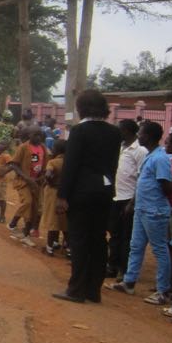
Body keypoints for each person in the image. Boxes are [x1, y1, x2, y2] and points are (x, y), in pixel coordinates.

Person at [55, 89, 122, 303]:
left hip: (81, 192)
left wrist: (62, 195)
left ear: (81, 108)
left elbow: (71, 165)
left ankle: (76, 289)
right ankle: (94, 290)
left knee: (79, 239)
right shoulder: (115, 133)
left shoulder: (79, 131)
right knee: (99, 240)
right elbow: (113, 164)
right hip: (105, 191)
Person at [108, 121, 172, 306]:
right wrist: (133, 203)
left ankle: (163, 291)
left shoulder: (160, 159)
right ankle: (129, 282)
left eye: (141, 133)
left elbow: (166, 186)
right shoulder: (150, 156)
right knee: (135, 246)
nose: (139, 136)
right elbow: (142, 182)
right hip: (141, 209)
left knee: (160, 250)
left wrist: (153, 200)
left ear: (149, 137)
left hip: (154, 211)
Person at [107, 119, 145, 280]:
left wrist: (132, 202)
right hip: (116, 197)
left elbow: (142, 178)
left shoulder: (140, 150)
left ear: (128, 131)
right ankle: (112, 266)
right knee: (114, 233)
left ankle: (124, 269)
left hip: (129, 199)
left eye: (120, 130)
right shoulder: (120, 147)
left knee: (126, 236)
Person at [7, 128, 46, 247]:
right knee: (27, 202)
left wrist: (40, 179)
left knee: (35, 208)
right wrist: (27, 178)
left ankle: (26, 234)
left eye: (40, 135)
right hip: (23, 181)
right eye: (35, 135)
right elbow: (14, 165)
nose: (38, 137)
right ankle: (13, 223)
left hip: (36, 183)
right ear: (30, 135)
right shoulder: (23, 147)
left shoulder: (43, 148)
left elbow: (43, 166)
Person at [40, 139, 68, 256]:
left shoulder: (53, 162)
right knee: (65, 222)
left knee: (53, 222)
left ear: (56, 150)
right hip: (67, 193)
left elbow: (48, 174)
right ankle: (68, 249)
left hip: (53, 193)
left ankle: (49, 248)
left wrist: (50, 182)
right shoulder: (70, 162)